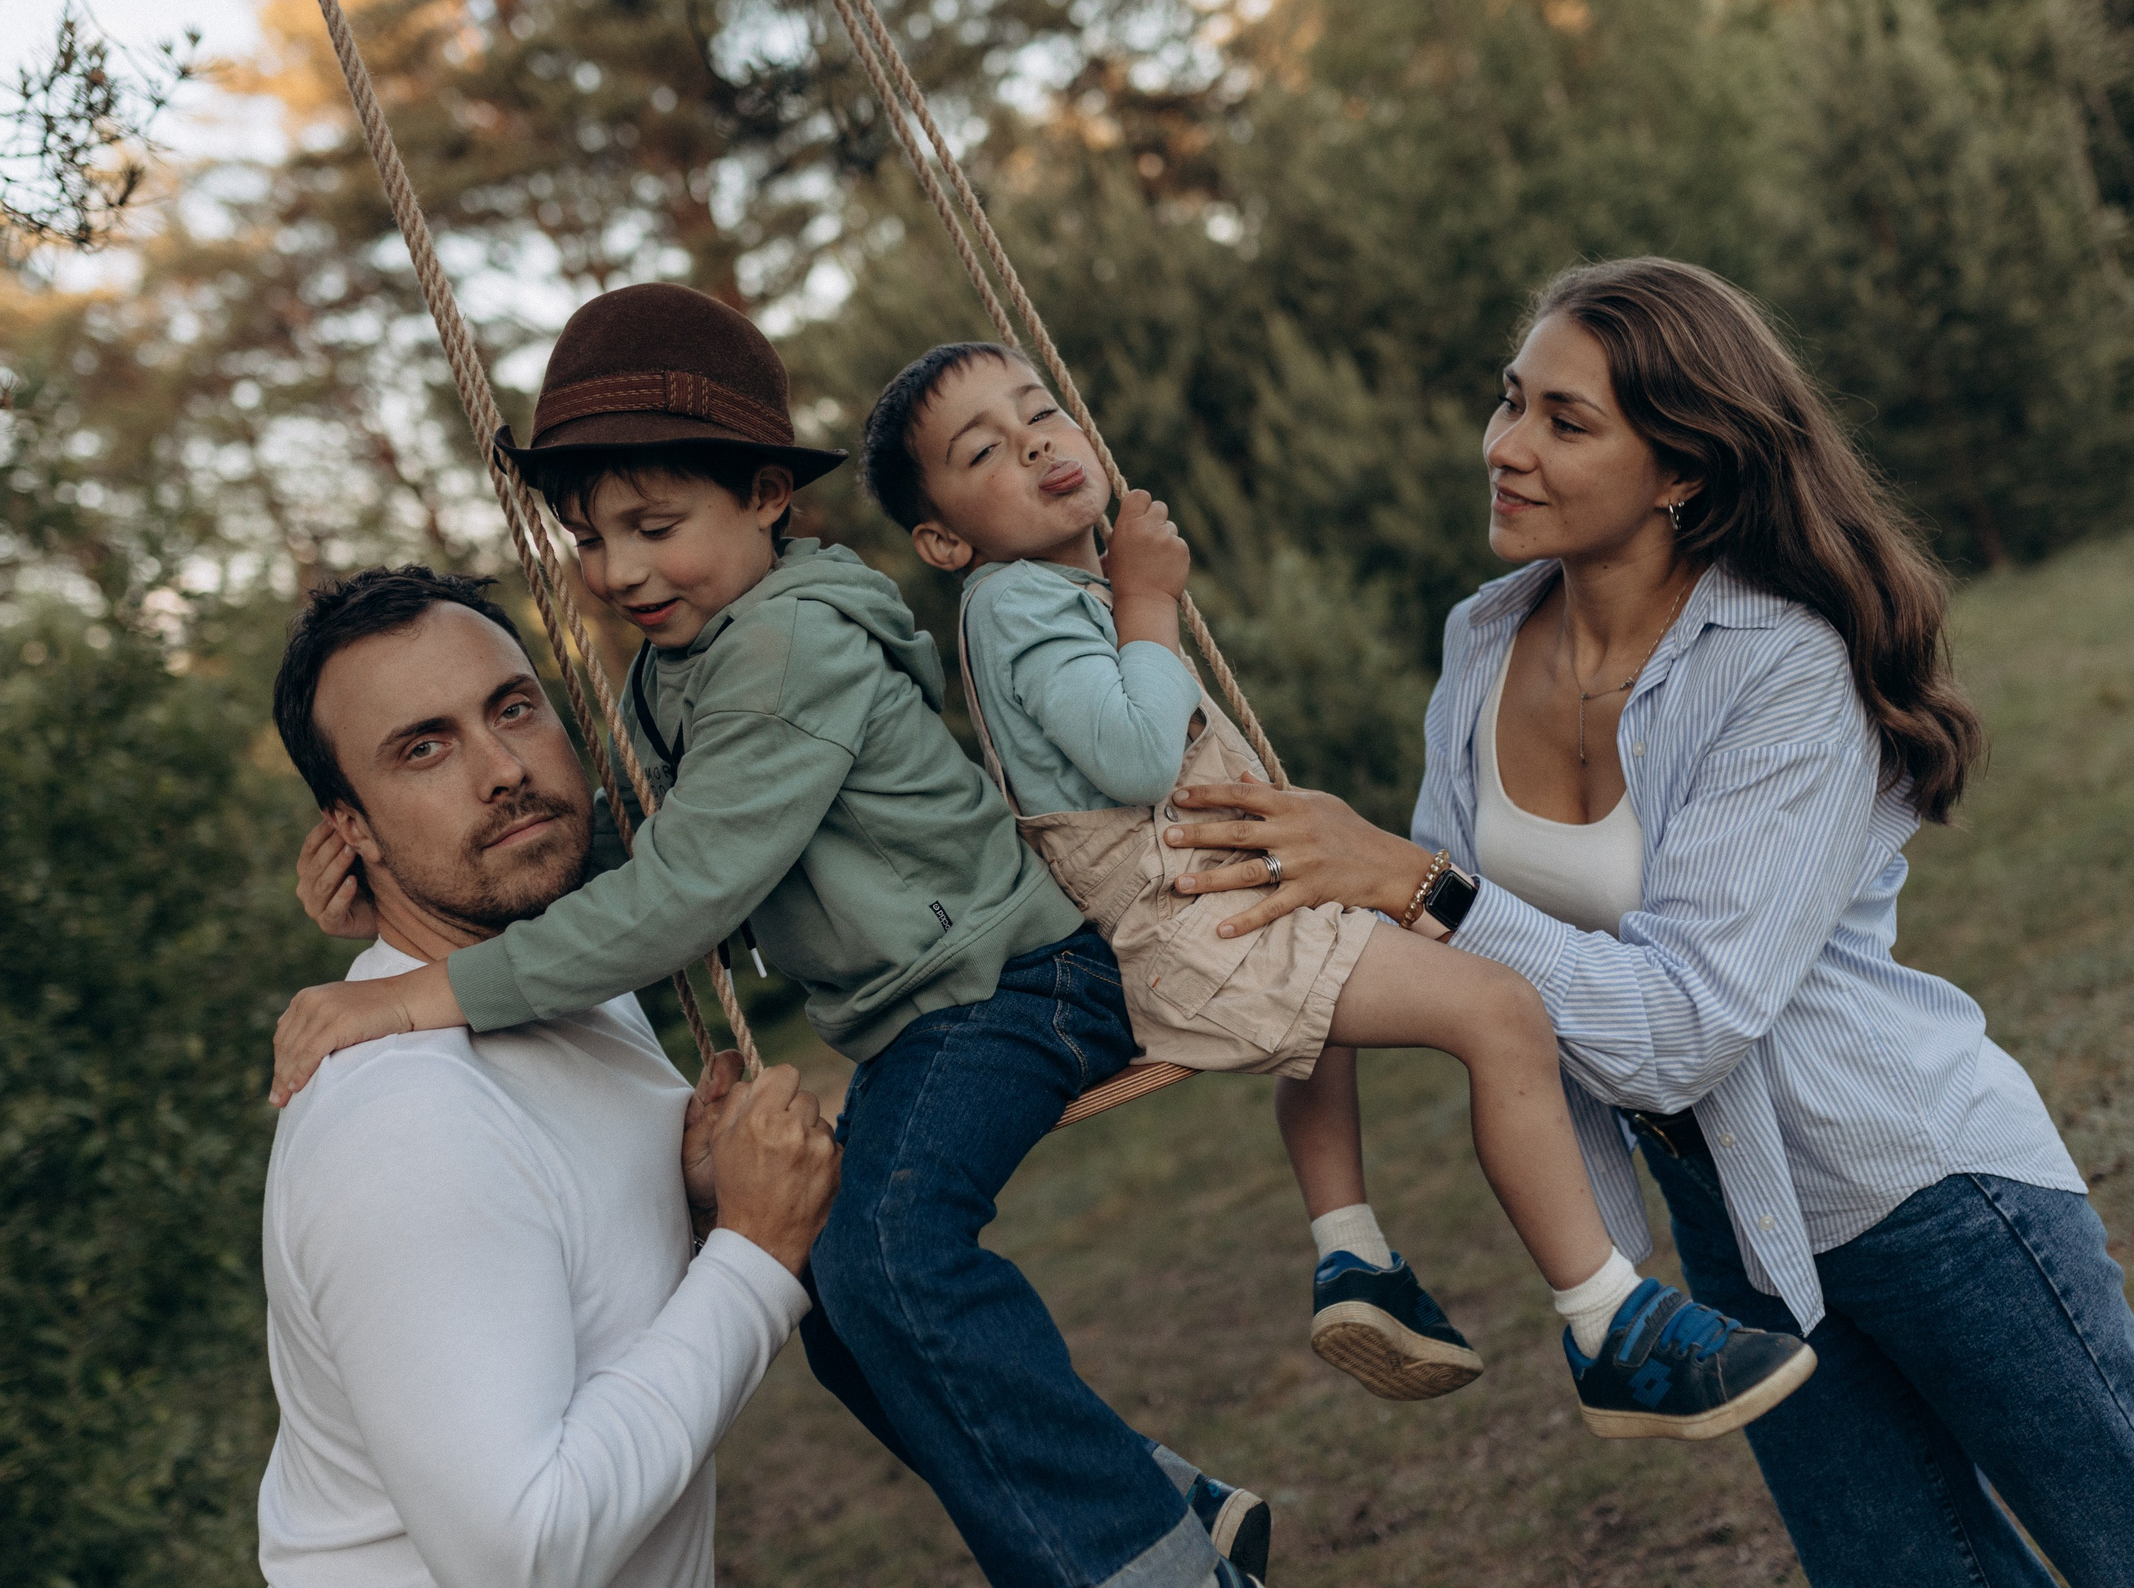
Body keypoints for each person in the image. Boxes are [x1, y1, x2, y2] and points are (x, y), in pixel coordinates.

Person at [1154, 256, 2134, 1588]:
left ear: (1683, 472)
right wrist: (1219, 956)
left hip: (1921, 1185)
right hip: (1729, 1225)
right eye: (1509, 401)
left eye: (1564, 419)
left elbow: (1677, 1028)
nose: (1507, 447)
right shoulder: (1482, 642)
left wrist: (1410, 879)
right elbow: (1430, 950)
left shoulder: (1786, 665)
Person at [266, 285, 1270, 1588]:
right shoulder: (674, 665)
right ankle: (1151, 1492)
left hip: (1014, 984)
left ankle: (1149, 1560)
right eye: (589, 537)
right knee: (847, 1306)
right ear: (353, 818)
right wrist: (398, 930)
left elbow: (682, 890)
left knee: (885, 1259)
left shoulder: (790, 647)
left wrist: (416, 989)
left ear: (764, 496)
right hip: (932, 1005)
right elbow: (630, 851)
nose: (620, 570)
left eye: (655, 526)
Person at [855, 340, 1817, 1440]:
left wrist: (1129, 603)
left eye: (1041, 414)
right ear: (941, 537)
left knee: (1334, 1020)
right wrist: (1149, 603)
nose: (1032, 443)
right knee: (1500, 1008)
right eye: (983, 448)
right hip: (1199, 919)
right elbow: (1129, 757)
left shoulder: (1049, 592)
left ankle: (1353, 1257)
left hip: (1220, 897)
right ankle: (1609, 1325)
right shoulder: (1019, 602)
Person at [255, 564, 842, 1587]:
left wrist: (695, 1204)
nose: (500, 769)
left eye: (512, 708)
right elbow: (521, 1552)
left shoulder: (559, 984)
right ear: (348, 828)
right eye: (423, 748)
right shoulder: (401, 1125)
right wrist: (754, 1253)